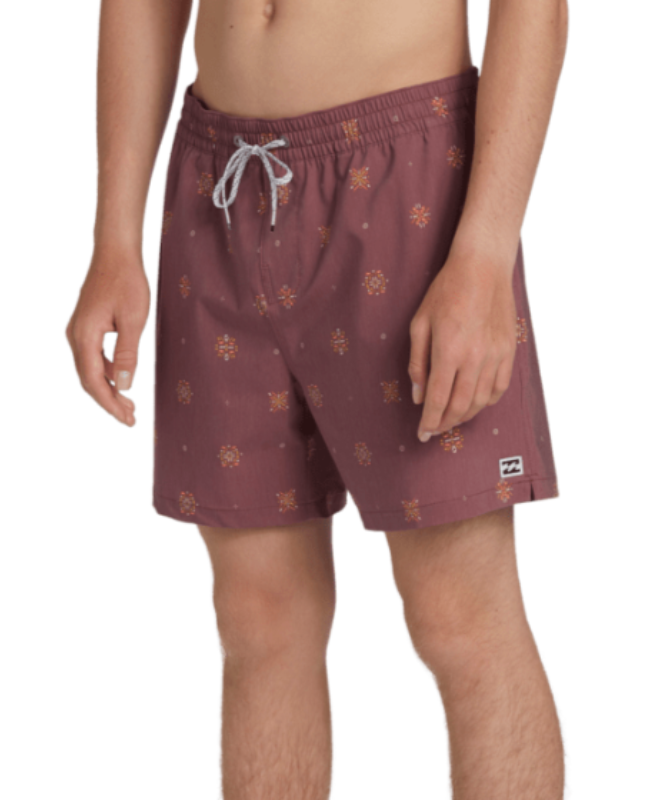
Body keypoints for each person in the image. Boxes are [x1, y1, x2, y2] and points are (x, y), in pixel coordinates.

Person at [67, 0, 568, 796]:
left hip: (407, 179)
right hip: (219, 185)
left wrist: (484, 250)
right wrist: (114, 238)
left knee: (459, 613)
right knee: (259, 615)